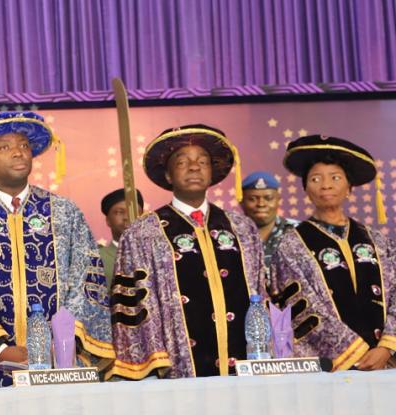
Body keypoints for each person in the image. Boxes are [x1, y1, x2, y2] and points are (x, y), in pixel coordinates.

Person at [0, 111, 114, 388]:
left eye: (24, 146)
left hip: (62, 362)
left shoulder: (65, 212)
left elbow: (88, 280)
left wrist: (66, 341)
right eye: (5, 147)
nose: (18, 153)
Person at [111, 124, 266, 379]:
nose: (194, 167)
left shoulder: (243, 228)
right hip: (178, 369)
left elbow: (261, 294)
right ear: (169, 175)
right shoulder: (142, 233)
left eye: (202, 161)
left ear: (212, 171)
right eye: (183, 162)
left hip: (247, 366)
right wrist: (154, 364)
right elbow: (133, 306)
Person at [270, 134, 396, 371]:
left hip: (387, 363)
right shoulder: (291, 245)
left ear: (349, 187)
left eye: (335, 178)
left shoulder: (378, 241)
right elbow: (302, 309)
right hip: (333, 368)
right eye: (315, 178)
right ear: (305, 188)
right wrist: (357, 353)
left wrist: (387, 346)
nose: (325, 185)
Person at [239, 171, 299, 270]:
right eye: (252, 199)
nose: (261, 204)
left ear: (278, 200)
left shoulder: (298, 230)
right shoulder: (232, 233)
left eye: (268, 198)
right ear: (241, 202)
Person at [99, 188, 145, 282]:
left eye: (134, 212)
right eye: (119, 212)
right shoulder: (97, 259)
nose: (127, 217)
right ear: (108, 220)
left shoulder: (158, 255)